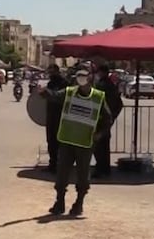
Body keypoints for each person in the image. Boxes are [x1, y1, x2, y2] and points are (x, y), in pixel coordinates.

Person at [39, 66, 113, 216]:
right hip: (67, 139)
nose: (81, 77)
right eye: (79, 75)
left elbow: (108, 119)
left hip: (85, 143)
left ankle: (79, 203)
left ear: (90, 78)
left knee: (83, 175)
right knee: (62, 173)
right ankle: (59, 202)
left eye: (84, 75)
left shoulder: (98, 97)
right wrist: (44, 92)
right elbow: (54, 96)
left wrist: (99, 134)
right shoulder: (69, 92)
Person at [93, 64, 124, 179]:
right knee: (104, 146)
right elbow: (119, 104)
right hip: (106, 119)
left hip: (100, 118)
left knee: (99, 146)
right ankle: (105, 169)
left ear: (102, 72)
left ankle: (100, 169)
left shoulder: (101, 86)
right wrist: (112, 117)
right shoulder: (112, 86)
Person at [42, 63, 68, 173]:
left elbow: (59, 96)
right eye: (49, 72)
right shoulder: (50, 83)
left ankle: (62, 165)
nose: (50, 74)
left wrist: (47, 92)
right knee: (51, 141)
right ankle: (52, 164)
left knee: (61, 142)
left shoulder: (64, 83)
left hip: (61, 116)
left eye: (52, 72)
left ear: (57, 71)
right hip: (51, 116)